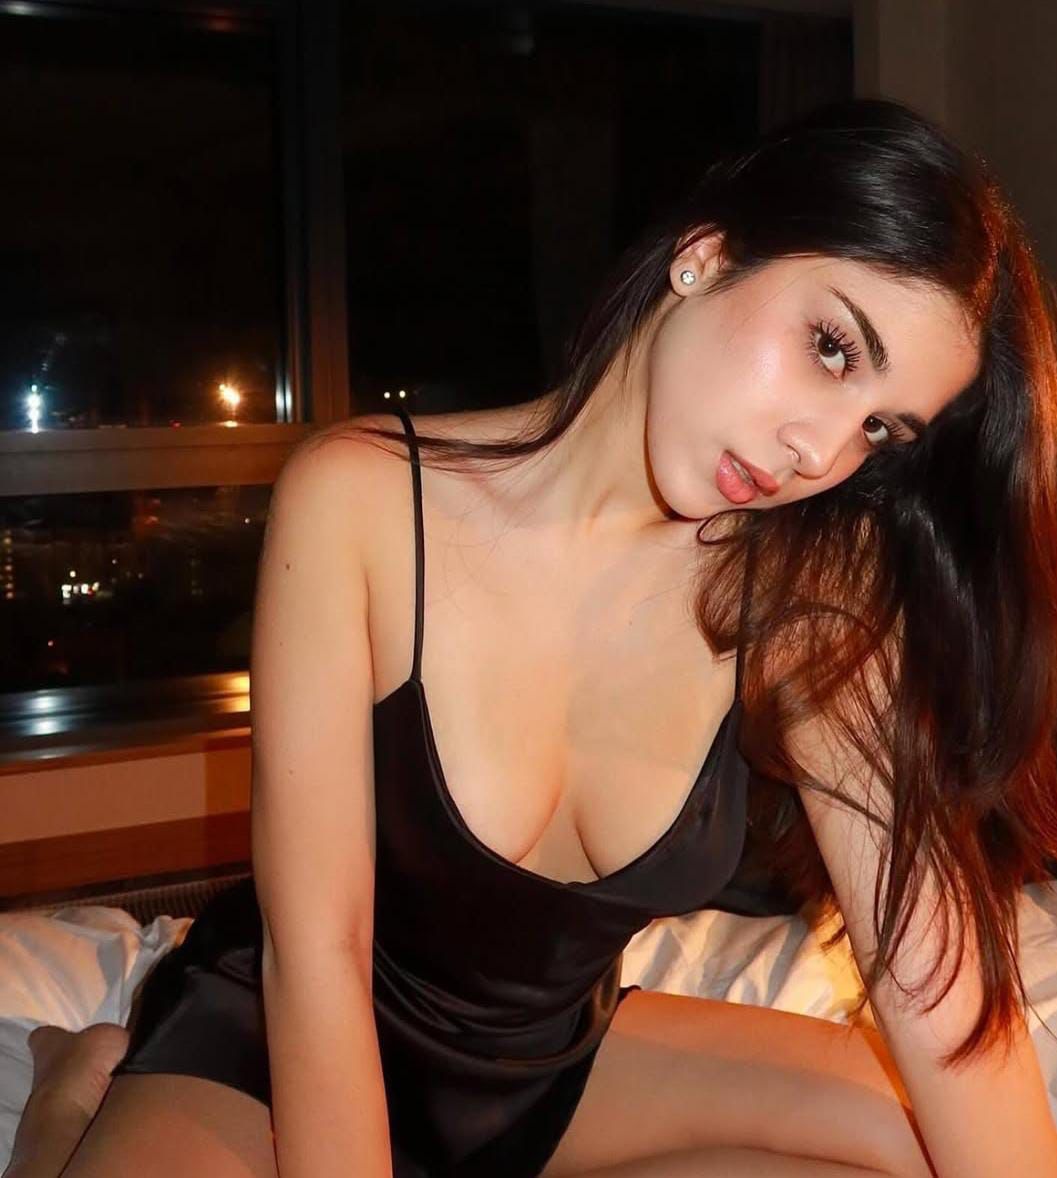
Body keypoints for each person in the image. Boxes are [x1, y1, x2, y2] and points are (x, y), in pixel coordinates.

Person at [8, 96, 1057, 1178]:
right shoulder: (363, 500)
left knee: (926, 1146)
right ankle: (63, 1106)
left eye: (880, 428)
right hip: (271, 1049)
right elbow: (318, 955)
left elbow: (936, 979)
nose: (821, 451)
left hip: (548, 1068)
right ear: (705, 255)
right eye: (831, 348)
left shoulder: (804, 597)